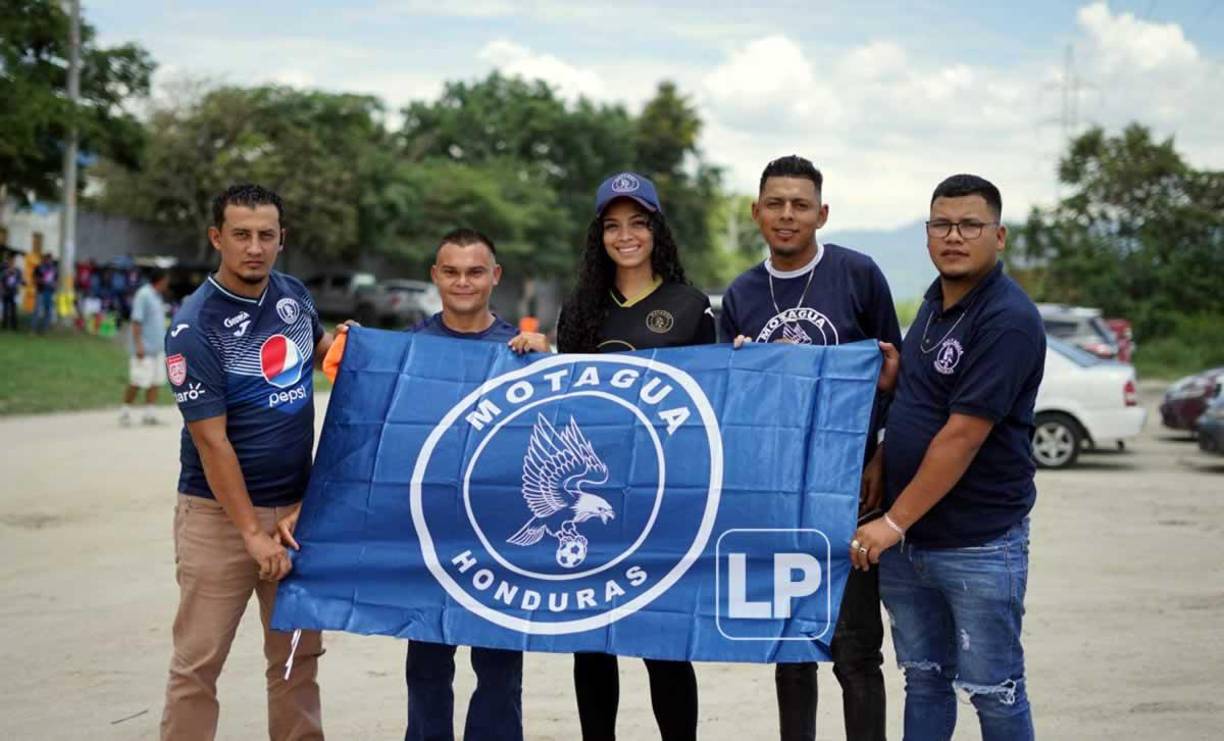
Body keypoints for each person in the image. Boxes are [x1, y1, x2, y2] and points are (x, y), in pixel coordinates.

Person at [310, 228, 547, 741]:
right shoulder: (408, 350)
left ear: (494, 276)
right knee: (427, 669)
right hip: (427, 540)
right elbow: (365, 426)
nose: (463, 282)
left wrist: (546, 362)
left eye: (475, 271)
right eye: (452, 271)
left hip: (496, 540)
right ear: (435, 276)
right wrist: (362, 350)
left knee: (501, 672)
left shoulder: (521, 351)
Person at [851, 174, 1045, 740]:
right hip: (913, 544)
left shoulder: (1006, 318)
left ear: (999, 235)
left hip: (978, 543)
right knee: (926, 679)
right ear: (928, 233)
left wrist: (890, 522)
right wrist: (885, 449)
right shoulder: (936, 303)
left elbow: (962, 435)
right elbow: (922, 398)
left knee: (995, 689)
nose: (953, 236)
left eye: (969, 225)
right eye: (942, 224)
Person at [720, 155, 901, 741]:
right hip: (778, 494)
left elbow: (894, 375)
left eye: (800, 205)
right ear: (756, 213)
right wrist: (742, 369)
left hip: (851, 486)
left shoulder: (858, 274)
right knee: (792, 647)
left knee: (854, 649)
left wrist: (879, 452)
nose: (787, 215)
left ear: (822, 213)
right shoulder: (742, 293)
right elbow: (729, 403)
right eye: (775, 203)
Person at [160, 183, 342, 740]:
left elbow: (318, 359)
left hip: (294, 516)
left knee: (295, 661)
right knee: (198, 664)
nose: (254, 247)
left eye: (266, 235)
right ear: (218, 238)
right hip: (219, 517)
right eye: (241, 235)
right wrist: (250, 534)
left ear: (282, 239)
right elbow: (213, 444)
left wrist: (346, 341)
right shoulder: (195, 327)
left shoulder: (293, 296)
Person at [556, 171, 715, 741]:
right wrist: (530, 353)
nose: (626, 236)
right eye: (613, 225)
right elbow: (564, 401)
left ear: (657, 231)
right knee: (593, 640)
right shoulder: (580, 309)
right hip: (596, 498)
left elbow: (712, 406)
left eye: (638, 223)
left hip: (663, 498)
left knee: (663, 641)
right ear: (599, 235)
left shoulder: (691, 305)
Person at [120, 268, 170, 426]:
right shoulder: (144, 294)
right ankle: (125, 411)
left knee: (156, 381)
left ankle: (150, 413)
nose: (167, 284)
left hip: (158, 348)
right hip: (144, 348)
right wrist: (139, 345)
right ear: (160, 280)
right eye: (166, 280)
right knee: (138, 380)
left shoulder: (157, 297)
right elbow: (136, 321)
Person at [32, 253, 57, 333]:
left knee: (48, 311)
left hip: (49, 292)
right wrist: (41, 281)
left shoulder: (54, 269)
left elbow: (56, 280)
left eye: (50, 259)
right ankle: (33, 329)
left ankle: (44, 329)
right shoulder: (39, 268)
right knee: (37, 310)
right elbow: (34, 278)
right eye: (47, 259)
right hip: (41, 291)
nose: (49, 261)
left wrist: (54, 284)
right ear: (44, 259)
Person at [1, 255, 24, 331]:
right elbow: (1, 281)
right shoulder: (4, 271)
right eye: (10, 262)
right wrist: (2, 290)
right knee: (5, 309)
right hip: (6, 292)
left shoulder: (17, 271)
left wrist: (21, 283)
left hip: (14, 293)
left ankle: (14, 326)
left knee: (13, 309)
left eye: (12, 262)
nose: (11, 263)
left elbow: (21, 280)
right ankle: (5, 325)